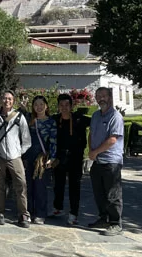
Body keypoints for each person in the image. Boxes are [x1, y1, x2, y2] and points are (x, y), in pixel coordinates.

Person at [0, 90, 31, 227]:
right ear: (1, 99)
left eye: (10, 99)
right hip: (0, 156)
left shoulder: (18, 117)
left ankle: (23, 213)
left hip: (15, 157)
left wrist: (19, 152)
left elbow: (26, 139)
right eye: (5, 98)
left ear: (13, 101)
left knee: (21, 184)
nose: (7, 101)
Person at [88, 87, 125, 236]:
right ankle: (103, 218)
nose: (101, 98)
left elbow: (112, 139)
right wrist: (91, 151)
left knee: (113, 194)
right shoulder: (96, 115)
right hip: (97, 160)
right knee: (99, 193)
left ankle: (116, 223)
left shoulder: (115, 116)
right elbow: (91, 134)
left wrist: (95, 152)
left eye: (104, 96)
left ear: (109, 97)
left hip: (111, 161)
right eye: (98, 96)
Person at [51, 93, 90, 225]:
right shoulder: (55, 119)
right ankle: (58, 208)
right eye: (61, 105)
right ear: (58, 107)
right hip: (59, 158)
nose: (64, 108)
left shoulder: (80, 119)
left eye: (67, 105)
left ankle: (73, 214)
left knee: (75, 187)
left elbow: (97, 122)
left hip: (75, 158)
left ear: (71, 106)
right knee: (58, 185)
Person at [23, 95, 57, 225]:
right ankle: (29, 211)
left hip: (41, 159)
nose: (39, 107)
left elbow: (54, 141)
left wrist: (52, 158)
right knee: (28, 186)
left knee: (40, 186)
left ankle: (41, 213)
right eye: (36, 104)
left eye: (41, 104)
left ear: (46, 106)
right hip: (29, 156)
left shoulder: (50, 122)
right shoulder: (30, 120)